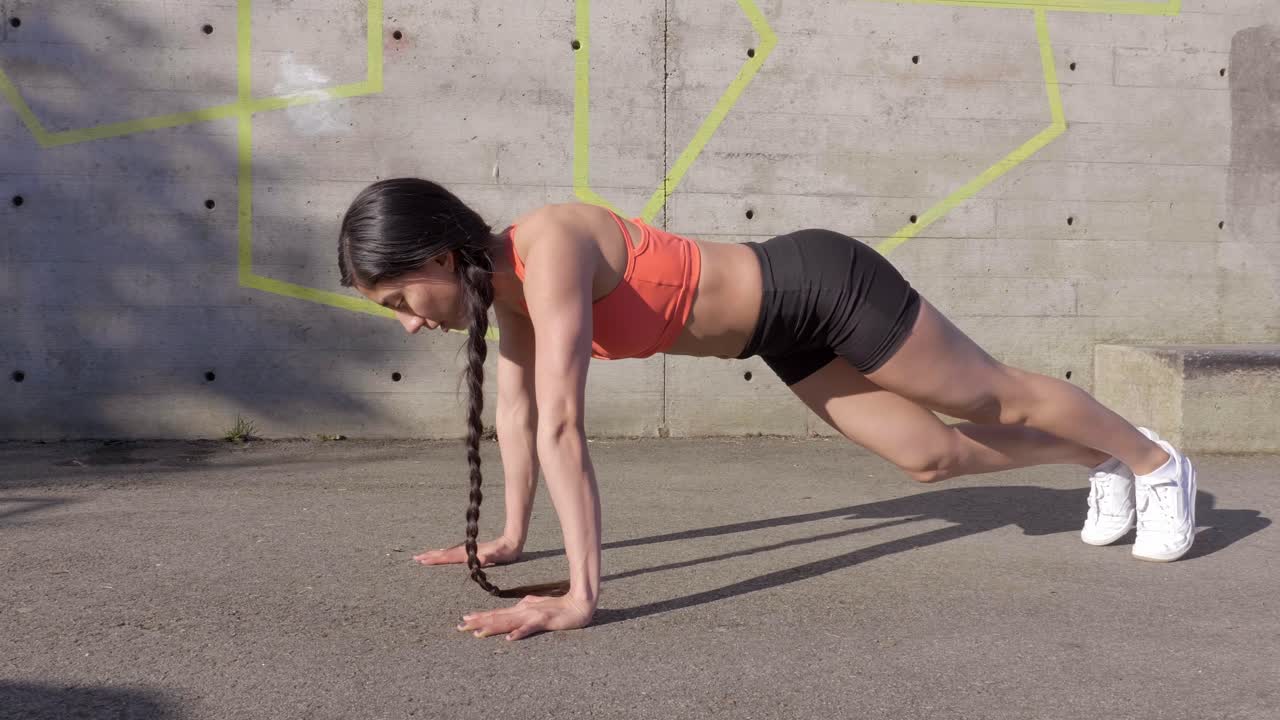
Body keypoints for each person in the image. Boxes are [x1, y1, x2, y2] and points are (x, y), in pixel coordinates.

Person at [336, 178, 1197, 642]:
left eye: (401, 299)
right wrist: (512, 540)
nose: (411, 322)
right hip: (778, 336)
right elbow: (517, 417)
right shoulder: (503, 294)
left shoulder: (547, 246)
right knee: (932, 458)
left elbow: (562, 422)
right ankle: (1096, 457)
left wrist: (582, 596)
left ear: (442, 254)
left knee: (982, 394)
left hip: (818, 286)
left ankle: (1157, 462)